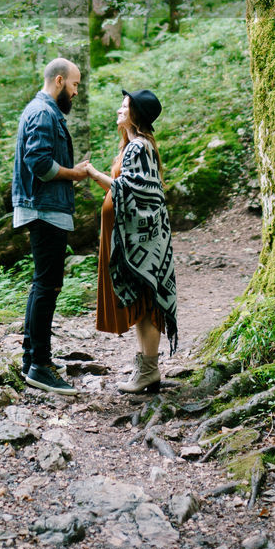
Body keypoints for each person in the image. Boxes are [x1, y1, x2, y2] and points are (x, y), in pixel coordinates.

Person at [87, 89, 178, 393]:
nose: (118, 110)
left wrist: (91, 173)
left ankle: (149, 370)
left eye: (124, 107)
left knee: (148, 302)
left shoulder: (139, 147)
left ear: (135, 114)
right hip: (132, 237)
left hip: (142, 240)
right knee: (141, 302)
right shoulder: (134, 146)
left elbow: (133, 191)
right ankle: (144, 367)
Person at [12, 58, 90, 395]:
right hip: (44, 209)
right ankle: (39, 366)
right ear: (59, 81)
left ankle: (34, 356)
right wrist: (77, 173)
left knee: (43, 285)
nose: (75, 92)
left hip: (44, 208)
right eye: (74, 85)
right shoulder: (44, 112)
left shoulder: (42, 109)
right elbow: (41, 163)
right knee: (48, 286)